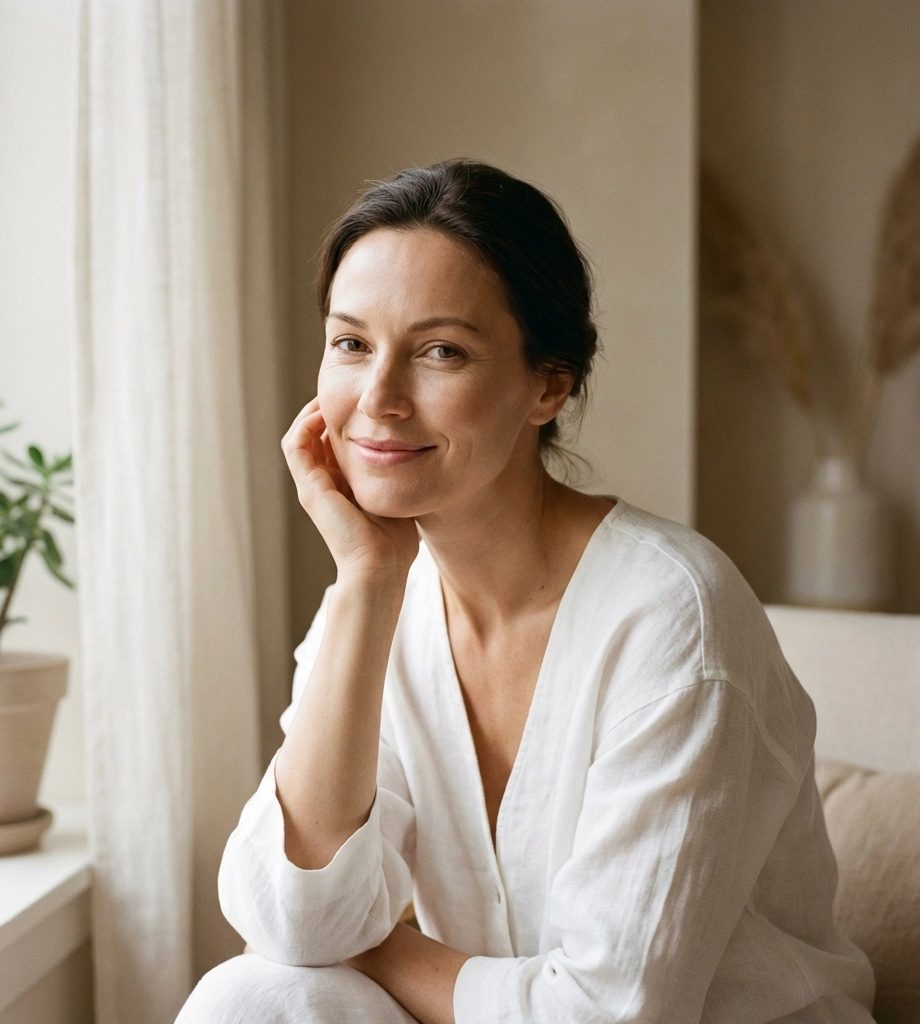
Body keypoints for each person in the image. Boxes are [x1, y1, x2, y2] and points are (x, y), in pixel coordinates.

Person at [176, 160, 875, 1024]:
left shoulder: (672, 619)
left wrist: (371, 942)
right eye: (351, 344)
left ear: (548, 384)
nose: (379, 400)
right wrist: (365, 580)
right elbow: (292, 919)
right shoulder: (374, 605)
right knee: (254, 996)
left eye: (441, 352)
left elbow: (607, 1013)